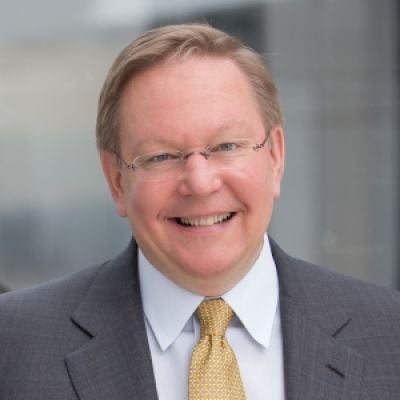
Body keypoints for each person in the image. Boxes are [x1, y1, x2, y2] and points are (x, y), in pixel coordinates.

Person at [0, 23, 399, 400]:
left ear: (275, 156)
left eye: (226, 146)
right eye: (161, 156)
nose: (200, 182)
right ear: (117, 180)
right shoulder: (14, 346)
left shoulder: (389, 334)